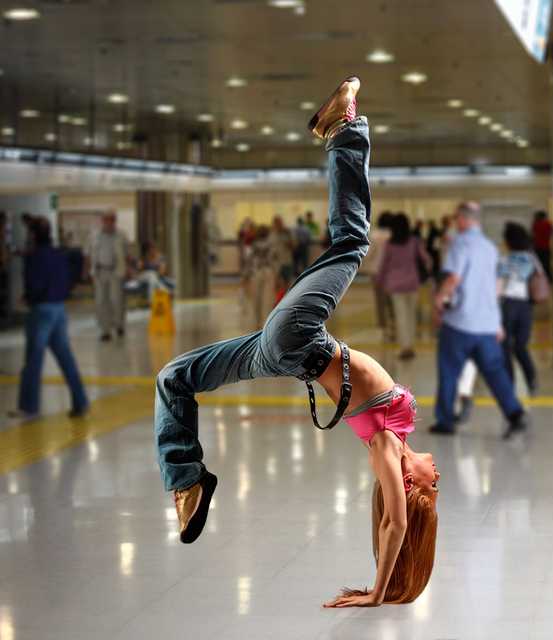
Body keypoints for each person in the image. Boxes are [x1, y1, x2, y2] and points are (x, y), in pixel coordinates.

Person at [154, 77, 438, 607]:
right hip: (280, 352)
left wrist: (379, 592)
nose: (435, 473)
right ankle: (187, 480)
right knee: (175, 377)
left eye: (431, 484)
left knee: (352, 241)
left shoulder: (386, 452)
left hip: (300, 340)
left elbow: (396, 525)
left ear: (409, 482)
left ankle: (346, 126)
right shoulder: (392, 441)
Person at [430, 202, 528, 438]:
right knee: (495, 370)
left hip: (460, 323)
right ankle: (514, 412)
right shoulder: (490, 248)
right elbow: (496, 286)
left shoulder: (459, 244)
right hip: (486, 323)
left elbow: (453, 278)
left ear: (462, 220)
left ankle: (445, 421)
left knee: (449, 370)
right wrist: (496, 323)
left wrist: (439, 300)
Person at [11, 217, 88, 420]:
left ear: (34, 235)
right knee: (66, 358)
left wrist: (27, 297)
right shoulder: (59, 254)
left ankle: (29, 407)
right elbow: (77, 259)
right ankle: (80, 401)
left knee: (33, 361)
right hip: (59, 309)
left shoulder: (33, 257)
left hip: (40, 312)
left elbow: (34, 286)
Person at [377, 213, 431, 360]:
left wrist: (381, 281)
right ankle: (410, 346)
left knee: (401, 317)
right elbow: (426, 259)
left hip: (395, 285)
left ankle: (404, 347)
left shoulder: (389, 244)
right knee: (411, 316)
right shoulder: (414, 241)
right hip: (412, 283)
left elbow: (383, 265)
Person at [497, 223, 542, 394]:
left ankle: (509, 383)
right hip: (525, 306)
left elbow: (498, 284)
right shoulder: (532, 258)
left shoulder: (504, 259)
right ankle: (531, 379)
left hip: (507, 304)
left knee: (505, 346)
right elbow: (540, 276)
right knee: (521, 345)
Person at [87, 213, 128, 341]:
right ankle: (105, 330)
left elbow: (127, 254)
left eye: (111, 220)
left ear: (115, 221)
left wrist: (128, 270)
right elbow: (88, 253)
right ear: (102, 220)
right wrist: (87, 271)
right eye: (106, 220)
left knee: (117, 300)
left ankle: (119, 324)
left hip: (116, 271)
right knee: (101, 301)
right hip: (99, 271)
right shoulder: (94, 235)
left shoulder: (121, 235)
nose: (109, 223)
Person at [366, 212, 396, 341]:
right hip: (392, 272)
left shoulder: (375, 235)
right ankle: (395, 326)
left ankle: (384, 330)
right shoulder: (394, 235)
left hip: (376, 272)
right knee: (392, 301)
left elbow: (369, 254)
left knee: (380, 302)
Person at [247, 225, 276, 327]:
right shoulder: (270, 245)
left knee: (256, 298)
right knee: (267, 298)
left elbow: (250, 260)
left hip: (256, 272)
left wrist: (247, 274)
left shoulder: (254, 245)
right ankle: (265, 320)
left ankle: (257, 320)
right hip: (268, 271)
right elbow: (273, 259)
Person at [269, 215, 295, 293]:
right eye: (276, 223)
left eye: (280, 223)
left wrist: (289, 240)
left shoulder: (288, 233)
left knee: (287, 283)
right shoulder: (271, 234)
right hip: (275, 263)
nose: (278, 225)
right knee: (276, 283)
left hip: (287, 261)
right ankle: (277, 301)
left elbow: (294, 246)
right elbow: (270, 247)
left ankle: (286, 300)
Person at [531, 210, 553, 282]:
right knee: (546, 263)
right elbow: (551, 232)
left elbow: (533, 235)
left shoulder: (535, 224)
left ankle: (540, 279)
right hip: (545, 247)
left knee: (538, 264)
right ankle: (549, 278)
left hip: (537, 247)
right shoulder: (548, 224)